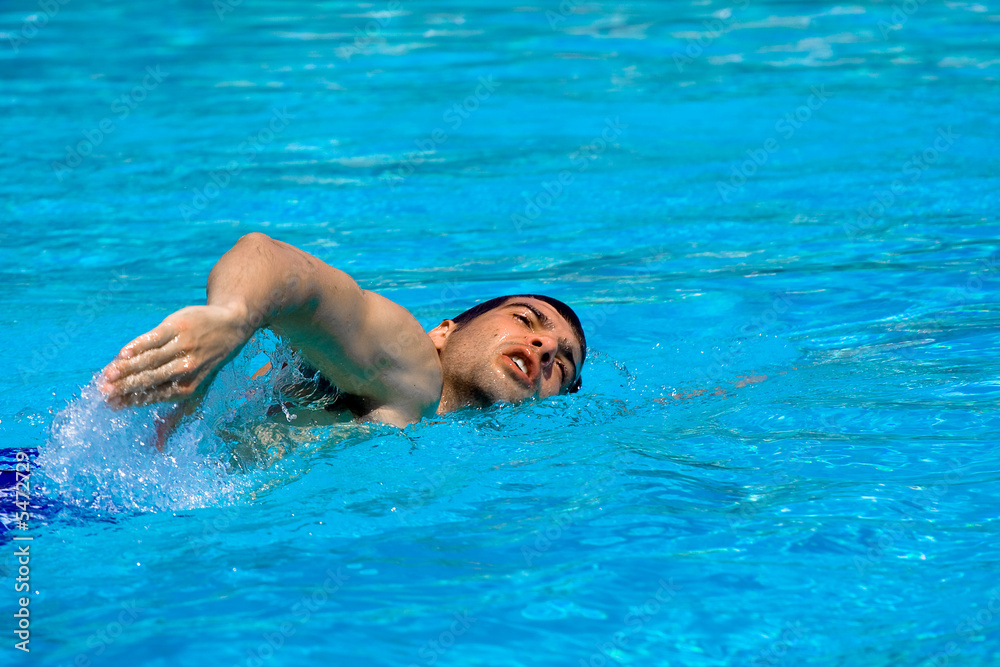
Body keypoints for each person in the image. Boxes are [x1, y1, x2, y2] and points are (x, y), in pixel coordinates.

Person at [100, 233, 587, 428]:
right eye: (525, 320)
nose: (544, 348)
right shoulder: (413, 365)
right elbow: (278, 263)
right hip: (71, 509)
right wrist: (230, 317)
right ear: (443, 332)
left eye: (560, 367)